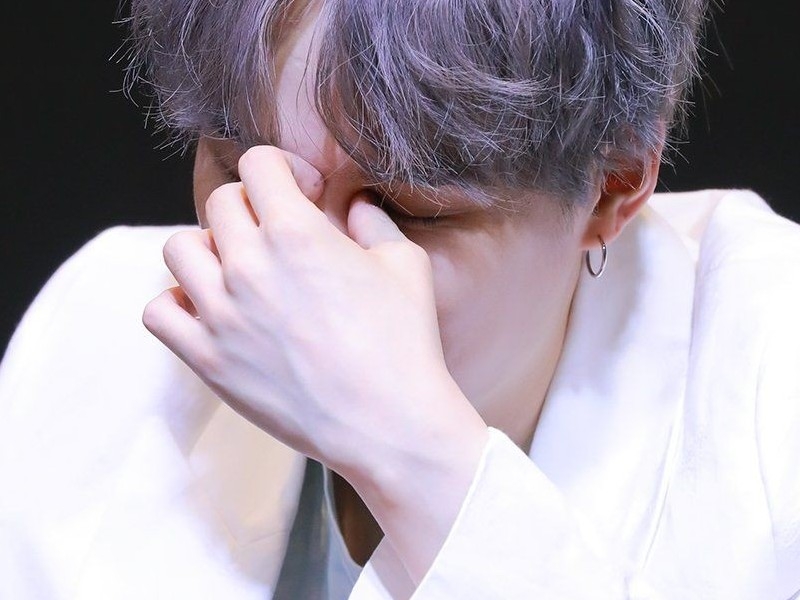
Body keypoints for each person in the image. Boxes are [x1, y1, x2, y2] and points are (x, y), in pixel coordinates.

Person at [1, 0, 798, 598]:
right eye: (240, 169)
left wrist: (412, 457)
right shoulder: (99, 314)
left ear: (613, 186)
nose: (290, 264)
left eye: (402, 209)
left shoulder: (773, 371)